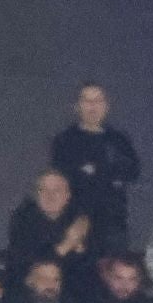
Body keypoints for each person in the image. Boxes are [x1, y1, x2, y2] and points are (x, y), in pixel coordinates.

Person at [51, 82, 141, 254]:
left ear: (106, 106)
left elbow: (132, 171)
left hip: (113, 222)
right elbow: (64, 176)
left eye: (97, 101)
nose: (93, 107)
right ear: (77, 106)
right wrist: (106, 173)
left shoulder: (118, 140)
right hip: (76, 221)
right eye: (87, 101)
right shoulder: (65, 141)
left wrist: (96, 170)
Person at [7, 170, 97, 300]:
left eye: (57, 190)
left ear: (68, 195)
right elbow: (28, 264)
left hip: (74, 295)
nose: (50, 196)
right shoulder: (23, 220)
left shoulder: (79, 220)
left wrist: (79, 249)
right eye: (43, 190)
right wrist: (67, 245)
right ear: (36, 195)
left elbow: (89, 263)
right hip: (30, 296)